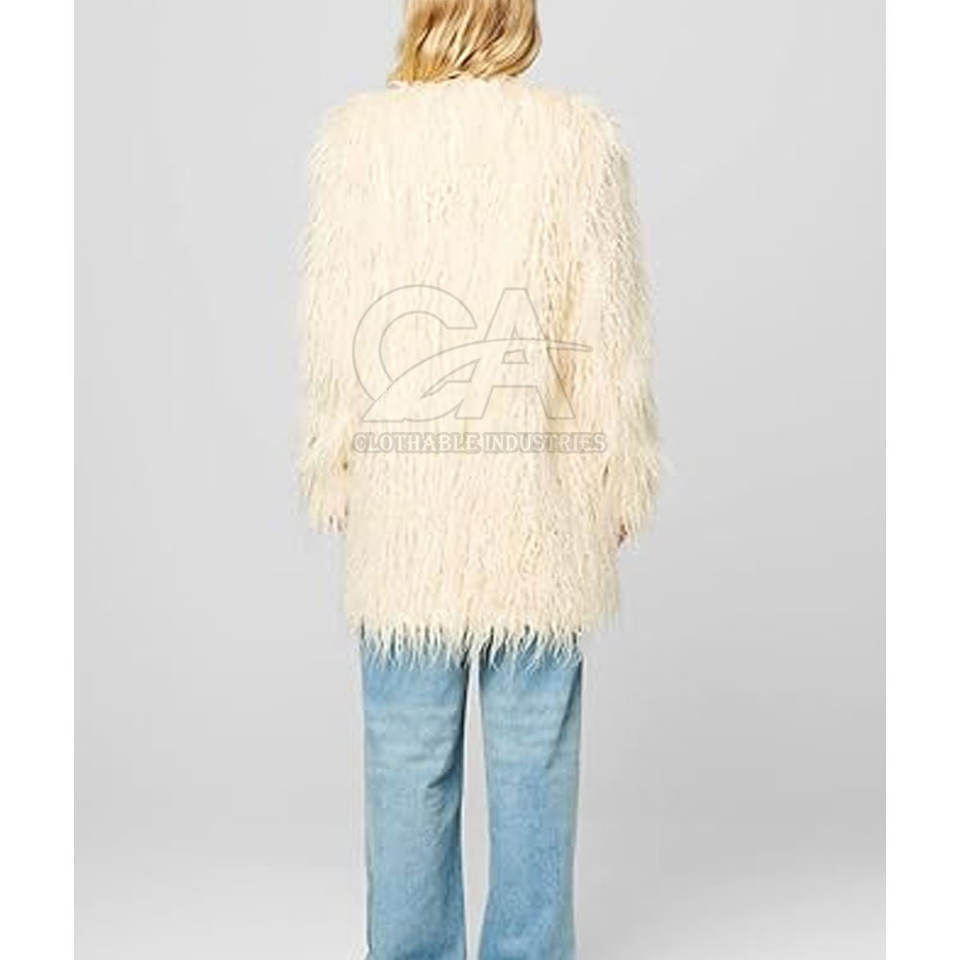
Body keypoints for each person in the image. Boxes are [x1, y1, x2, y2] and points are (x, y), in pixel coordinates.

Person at [298, 1, 658, 957]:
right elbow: (607, 330)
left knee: (407, 754)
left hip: (407, 505)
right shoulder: (576, 142)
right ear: (516, 18)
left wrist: (337, 461)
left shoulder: (361, 143)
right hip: (538, 496)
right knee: (535, 756)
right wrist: (619, 471)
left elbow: (336, 326)